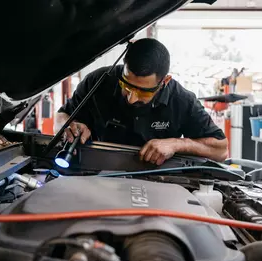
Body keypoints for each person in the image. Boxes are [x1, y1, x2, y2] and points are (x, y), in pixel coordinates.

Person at [56, 38, 228, 166]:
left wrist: (176, 143)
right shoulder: (98, 81)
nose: (131, 98)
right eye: (126, 86)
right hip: (96, 171)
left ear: (165, 81)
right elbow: (62, 116)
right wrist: (68, 126)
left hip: (155, 181)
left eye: (143, 92)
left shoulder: (181, 100)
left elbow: (221, 151)